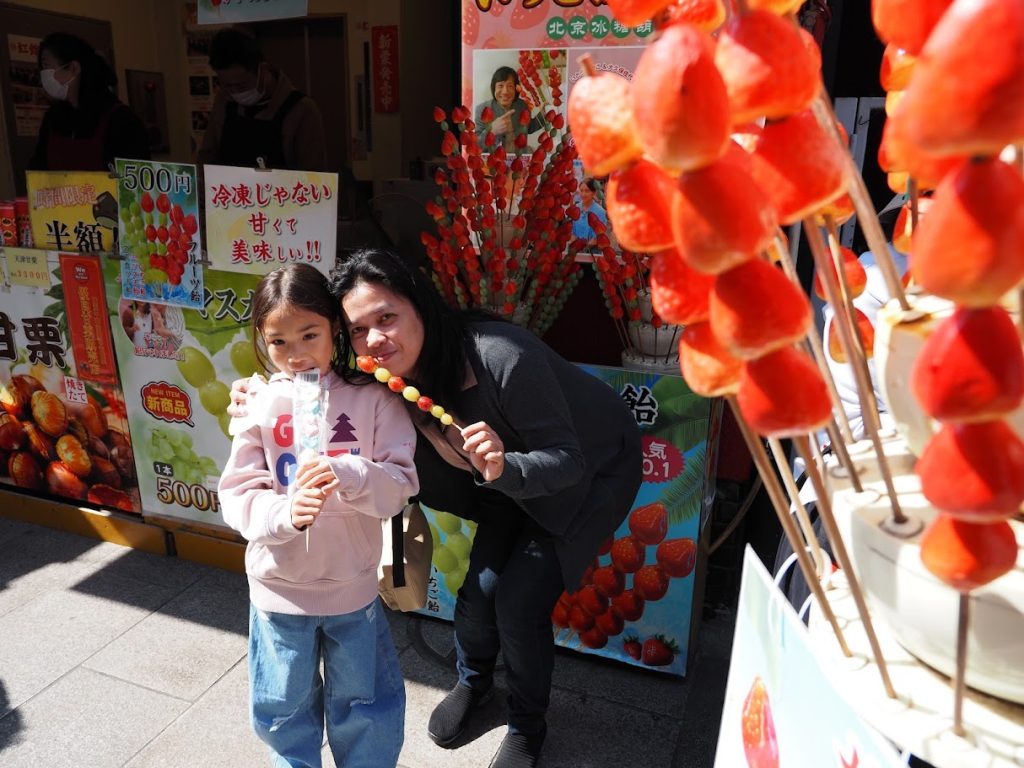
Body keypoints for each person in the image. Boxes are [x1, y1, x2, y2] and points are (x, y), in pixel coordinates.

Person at [230, 249, 642, 768]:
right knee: (479, 592)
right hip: (500, 483)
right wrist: (257, 393)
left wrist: (505, 468)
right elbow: (305, 385)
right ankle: (475, 685)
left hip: (588, 469)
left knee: (519, 601)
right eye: (359, 329)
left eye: (387, 318)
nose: (375, 339)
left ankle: (526, 725)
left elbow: (567, 458)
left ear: (419, 305)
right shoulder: (378, 380)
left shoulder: (500, 356)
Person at [218, 263, 417, 768]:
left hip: (353, 588)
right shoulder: (259, 403)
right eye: (278, 342)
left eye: (309, 334)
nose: (296, 352)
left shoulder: (373, 399)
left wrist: (350, 473)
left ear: (333, 327)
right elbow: (238, 495)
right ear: (262, 343)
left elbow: (399, 488)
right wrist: (286, 514)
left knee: (365, 705)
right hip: (278, 590)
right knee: (283, 710)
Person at [198, 28, 326, 171]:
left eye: (241, 85)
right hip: (228, 192)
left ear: (263, 70)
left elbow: (314, 178)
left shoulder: (302, 110)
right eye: (227, 85)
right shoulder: (224, 100)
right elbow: (207, 156)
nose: (235, 92)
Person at [28, 33, 149, 171]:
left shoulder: (121, 120)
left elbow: (136, 184)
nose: (42, 76)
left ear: (73, 68)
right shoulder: (52, 118)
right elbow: (38, 169)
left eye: (46, 66)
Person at [474, 66, 544, 154]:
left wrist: (545, 113)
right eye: (500, 86)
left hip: (519, 162)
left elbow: (529, 127)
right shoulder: (482, 109)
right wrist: (492, 131)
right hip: (494, 164)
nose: (505, 91)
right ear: (494, 88)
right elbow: (476, 146)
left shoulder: (522, 105)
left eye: (510, 86)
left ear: (516, 89)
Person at [571, 178, 609, 249]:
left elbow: (597, 237)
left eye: (587, 191)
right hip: (575, 250)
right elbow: (573, 232)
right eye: (581, 190)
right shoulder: (576, 208)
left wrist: (584, 250)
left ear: (593, 193)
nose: (583, 194)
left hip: (593, 251)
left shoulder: (600, 212)